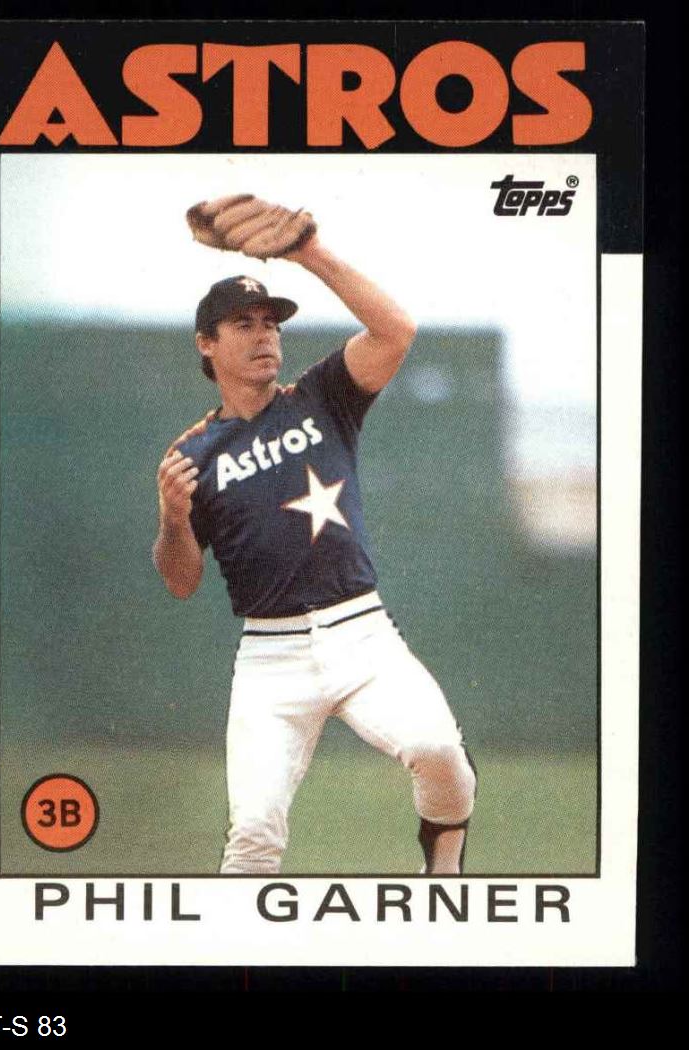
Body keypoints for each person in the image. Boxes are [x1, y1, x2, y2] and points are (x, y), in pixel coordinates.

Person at [152, 232, 476, 875]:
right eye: (244, 324)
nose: (264, 336)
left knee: (441, 754)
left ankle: (443, 877)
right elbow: (181, 580)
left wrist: (308, 252)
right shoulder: (191, 457)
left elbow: (397, 329)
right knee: (252, 834)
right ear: (206, 343)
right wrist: (172, 518)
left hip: (361, 633)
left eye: (270, 323)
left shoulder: (322, 398)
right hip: (271, 657)